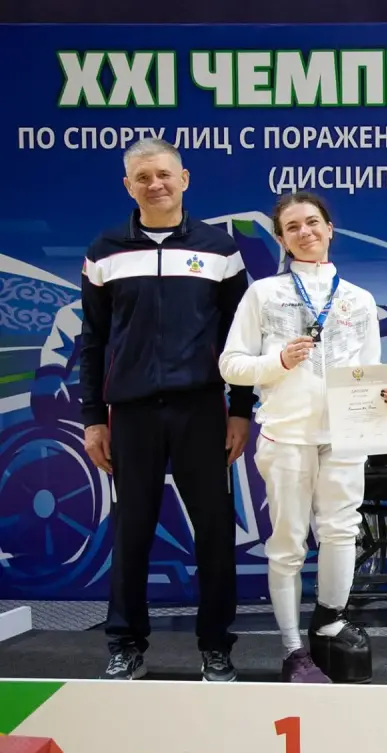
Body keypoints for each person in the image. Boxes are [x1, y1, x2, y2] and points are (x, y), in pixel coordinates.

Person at [80, 137, 255, 682]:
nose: (155, 184)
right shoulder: (105, 251)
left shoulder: (220, 250)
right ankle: (125, 644)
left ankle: (216, 647)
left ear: (184, 179)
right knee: (131, 531)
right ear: (127, 186)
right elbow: (93, 341)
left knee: (214, 533)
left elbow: (240, 340)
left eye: (163, 174)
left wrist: (240, 410)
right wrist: (92, 419)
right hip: (131, 414)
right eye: (143, 177)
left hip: (201, 409)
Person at [218, 191, 387, 684]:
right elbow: (230, 365)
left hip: (345, 436)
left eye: (313, 222)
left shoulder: (358, 299)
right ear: (281, 239)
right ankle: (293, 650)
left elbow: (368, 369)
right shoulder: (263, 294)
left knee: (341, 532)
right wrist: (278, 361)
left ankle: (330, 622)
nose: (306, 232)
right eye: (293, 226)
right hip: (287, 434)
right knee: (288, 545)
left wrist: (382, 396)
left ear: (330, 228)